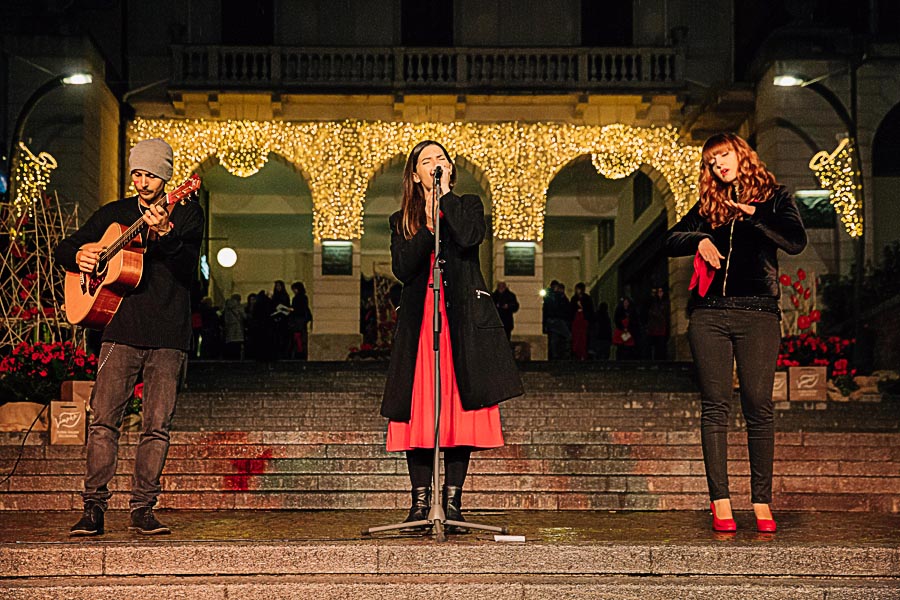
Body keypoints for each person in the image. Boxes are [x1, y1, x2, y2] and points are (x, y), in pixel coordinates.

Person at [55, 138, 204, 536]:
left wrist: (167, 232)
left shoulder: (187, 211)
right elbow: (65, 247)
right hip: (119, 329)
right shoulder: (115, 214)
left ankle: (143, 508)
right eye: (137, 173)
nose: (142, 182)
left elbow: (190, 271)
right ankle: (93, 508)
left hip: (169, 333)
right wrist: (81, 257)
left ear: (167, 176)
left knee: (156, 425)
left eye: (151, 175)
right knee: (104, 421)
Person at [665, 132, 807, 533]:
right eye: (711, 162)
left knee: (758, 405)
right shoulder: (710, 205)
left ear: (740, 154)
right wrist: (701, 239)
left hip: (759, 314)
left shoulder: (776, 197)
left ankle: (761, 501)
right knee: (715, 406)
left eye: (723, 156)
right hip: (709, 317)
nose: (718, 166)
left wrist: (754, 215)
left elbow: (795, 241)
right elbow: (669, 238)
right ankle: (721, 503)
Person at [381, 140, 523, 530]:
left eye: (440, 159)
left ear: (451, 169)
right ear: (414, 174)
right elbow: (404, 268)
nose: (434, 165)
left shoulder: (468, 205)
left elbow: (468, 237)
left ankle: (453, 502)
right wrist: (426, 225)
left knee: (457, 409)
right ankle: (420, 502)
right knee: (420, 410)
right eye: (426, 161)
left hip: (461, 321)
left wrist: (443, 202)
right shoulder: (401, 220)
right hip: (421, 322)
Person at [542, 280, 571, 360]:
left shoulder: (548, 297)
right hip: (557, 319)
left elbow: (545, 310)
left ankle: (554, 355)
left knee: (554, 339)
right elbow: (564, 307)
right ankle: (565, 354)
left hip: (551, 319)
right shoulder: (558, 296)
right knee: (567, 336)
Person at [569, 282, 594, 360]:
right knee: (576, 336)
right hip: (576, 319)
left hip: (583, 319)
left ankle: (583, 353)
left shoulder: (587, 298)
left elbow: (590, 310)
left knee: (583, 337)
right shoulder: (574, 298)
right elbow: (571, 309)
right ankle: (576, 353)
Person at [645, 287, 670, 360]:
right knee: (655, 345)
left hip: (661, 327)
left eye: (661, 291)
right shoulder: (654, 302)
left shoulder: (665, 303)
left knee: (661, 345)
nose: (660, 293)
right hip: (655, 327)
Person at [289, 281, 312, 359]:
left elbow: (297, 309)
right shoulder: (304, 297)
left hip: (298, 320)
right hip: (302, 320)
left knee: (298, 337)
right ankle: (301, 352)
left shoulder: (297, 298)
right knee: (301, 337)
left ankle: (299, 352)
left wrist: (292, 310)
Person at [222, 293, 245, 360]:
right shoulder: (239, 307)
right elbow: (244, 316)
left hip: (230, 329)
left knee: (230, 346)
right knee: (237, 347)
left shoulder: (227, 308)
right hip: (238, 329)